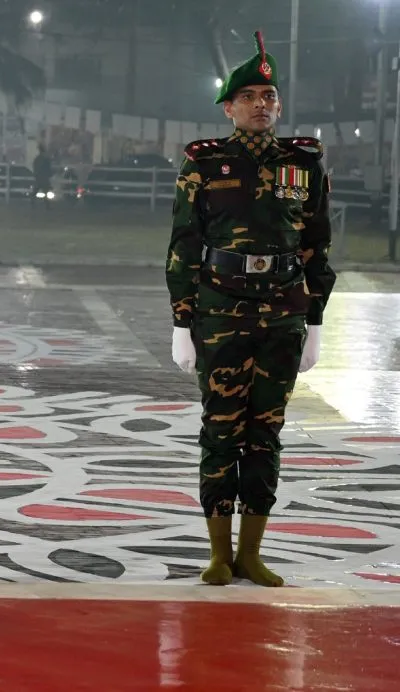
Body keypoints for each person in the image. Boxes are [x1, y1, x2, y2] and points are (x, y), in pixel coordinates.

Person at [167, 30, 335, 587]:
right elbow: (184, 245)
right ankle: (218, 552)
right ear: (230, 107)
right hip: (221, 311)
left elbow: (317, 244)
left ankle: (252, 552)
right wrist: (181, 322)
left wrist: (314, 320)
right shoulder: (205, 165)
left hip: (283, 312)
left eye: (271, 97)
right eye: (251, 98)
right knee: (220, 431)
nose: (263, 105)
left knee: (266, 432)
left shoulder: (303, 164)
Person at [32, 143, 52, 208]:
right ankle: (47, 205)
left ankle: (32, 203)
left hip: (38, 177)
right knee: (45, 192)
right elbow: (48, 168)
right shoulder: (45, 159)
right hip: (44, 177)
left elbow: (35, 168)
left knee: (35, 191)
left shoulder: (37, 159)